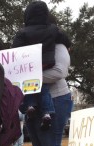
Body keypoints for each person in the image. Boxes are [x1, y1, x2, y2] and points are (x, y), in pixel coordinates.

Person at [12, 0, 71, 130]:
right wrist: (68, 46)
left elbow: (14, 50)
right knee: (42, 86)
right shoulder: (52, 29)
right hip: (47, 63)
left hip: (31, 65)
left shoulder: (23, 33)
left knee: (31, 84)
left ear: (27, 16)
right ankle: (47, 113)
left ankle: (30, 106)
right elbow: (64, 38)